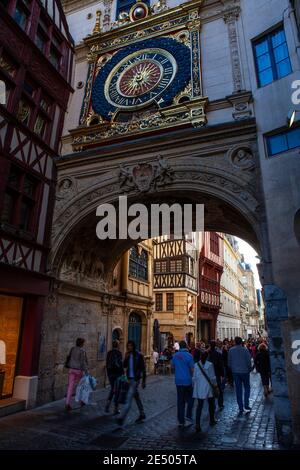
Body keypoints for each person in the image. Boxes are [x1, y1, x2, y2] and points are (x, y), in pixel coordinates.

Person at [117, 340, 146, 425]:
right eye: (128, 346)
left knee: (129, 397)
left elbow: (143, 369)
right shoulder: (128, 355)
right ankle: (142, 413)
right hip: (129, 379)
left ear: (133, 346)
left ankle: (121, 417)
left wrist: (144, 381)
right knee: (136, 397)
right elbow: (124, 366)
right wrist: (126, 358)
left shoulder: (139, 355)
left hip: (135, 379)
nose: (129, 347)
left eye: (130, 346)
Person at [171, 340, 194, 428]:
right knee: (190, 400)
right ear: (186, 346)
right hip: (187, 381)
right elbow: (192, 370)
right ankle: (188, 417)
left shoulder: (175, 355)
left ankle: (181, 420)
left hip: (178, 381)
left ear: (179, 347)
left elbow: (172, 367)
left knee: (180, 401)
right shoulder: (189, 356)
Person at [193, 351, 217, 433]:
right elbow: (213, 377)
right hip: (208, 387)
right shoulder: (210, 365)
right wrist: (215, 385)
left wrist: (194, 386)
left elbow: (194, 378)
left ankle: (197, 424)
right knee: (211, 404)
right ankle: (212, 419)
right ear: (207, 357)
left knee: (199, 406)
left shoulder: (196, 365)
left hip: (199, 388)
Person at [228, 337, 252, 414]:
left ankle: (240, 407)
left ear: (235, 342)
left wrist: (232, 368)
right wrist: (250, 368)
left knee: (238, 389)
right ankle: (246, 404)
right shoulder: (245, 350)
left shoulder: (231, 350)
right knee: (247, 387)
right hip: (245, 371)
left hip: (235, 372)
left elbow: (229, 362)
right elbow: (249, 361)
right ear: (241, 342)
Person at [65, 337, 88, 411]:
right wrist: (86, 370)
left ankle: (67, 403)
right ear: (81, 343)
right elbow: (83, 362)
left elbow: (69, 357)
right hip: (79, 370)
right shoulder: (82, 351)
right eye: (83, 343)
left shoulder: (72, 349)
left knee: (70, 387)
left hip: (71, 369)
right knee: (82, 385)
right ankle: (82, 401)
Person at [105, 340, 124, 414]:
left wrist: (108, 373)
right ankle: (116, 408)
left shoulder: (109, 353)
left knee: (113, 389)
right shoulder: (119, 353)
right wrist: (122, 373)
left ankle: (107, 405)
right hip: (117, 374)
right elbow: (121, 364)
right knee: (117, 391)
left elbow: (107, 363)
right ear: (118, 345)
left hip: (110, 374)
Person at [208, 340, 225, 410]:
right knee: (219, 390)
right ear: (215, 345)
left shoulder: (207, 353)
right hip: (216, 374)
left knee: (210, 390)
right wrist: (222, 374)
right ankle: (220, 404)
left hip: (209, 374)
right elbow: (220, 365)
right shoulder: (218, 354)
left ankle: (212, 405)